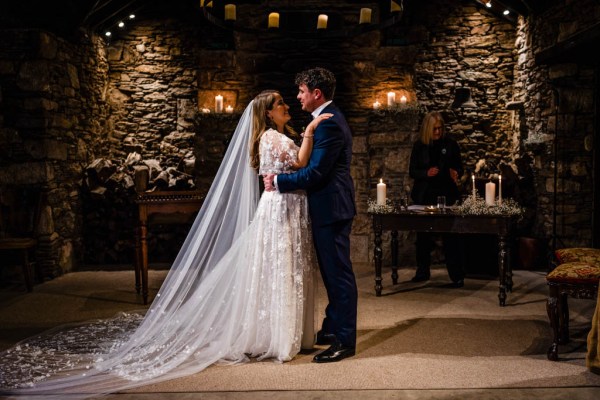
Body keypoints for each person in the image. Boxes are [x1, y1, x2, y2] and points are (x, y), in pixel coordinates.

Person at [0, 90, 331, 398]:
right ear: (269, 113)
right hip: (280, 210)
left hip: (286, 207)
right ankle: (277, 337)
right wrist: (311, 130)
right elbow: (301, 163)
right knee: (280, 268)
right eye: (281, 104)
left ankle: (282, 331)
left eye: (287, 102)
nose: (287, 106)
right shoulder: (272, 137)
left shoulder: (272, 136)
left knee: (283, 269)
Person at [263, 67, 357, 363]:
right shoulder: (325, 120)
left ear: (317, 94)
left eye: (302, 92)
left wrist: (278, 182)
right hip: (330, 207)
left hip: (331, 209)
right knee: (332, 274)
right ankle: (331, 328)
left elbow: (315, 173)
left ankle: (344, 340)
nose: (298, 97)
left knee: (338, 276)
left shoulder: (328, 124)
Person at [408, 111, 465, 287]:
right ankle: (422, 271)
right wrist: (426, 173)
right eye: (434, 129)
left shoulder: (451, 144)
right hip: (424, 195)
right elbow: (412, 171)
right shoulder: (419, 146)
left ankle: (456, 276)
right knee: (423, 237)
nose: (438, 132)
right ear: (427, 129)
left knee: (450, 237)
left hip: (446, 194)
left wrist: (456, 173)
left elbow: (460, 168)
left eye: (440, 128)